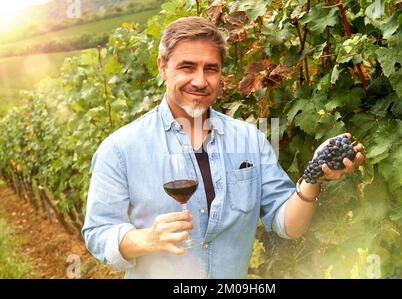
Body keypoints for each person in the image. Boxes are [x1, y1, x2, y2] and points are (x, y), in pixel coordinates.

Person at [81, 16, 365, 279]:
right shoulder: (120, 148)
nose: (200, 81)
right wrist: (146, 239)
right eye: (187, 67)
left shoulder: (249, 140)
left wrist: (314, 173)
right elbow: (98, 233)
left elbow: (289, 226)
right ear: (162, 67)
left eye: (211, 69)